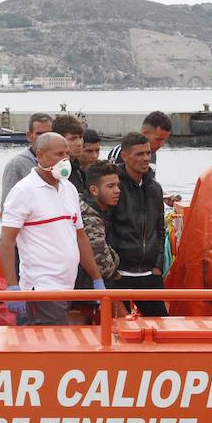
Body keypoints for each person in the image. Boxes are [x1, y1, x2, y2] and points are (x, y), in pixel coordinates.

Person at [0, 132, 105, 325]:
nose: (65, 159)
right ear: (40, 155)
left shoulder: (69, 189)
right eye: (58, 154)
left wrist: (97, 279)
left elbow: (80, 236)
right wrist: (12, 286)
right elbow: (7, 239)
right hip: (41, 288)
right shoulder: (24, 191)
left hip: (67, 285)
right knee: (52, 345)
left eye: (66, 154)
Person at [107, 132, 168, 316]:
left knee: (161, 327)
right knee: (117, 331)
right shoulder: (112, 186)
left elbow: (160, 228)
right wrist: (112, 269)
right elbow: (103, 228)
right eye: (139, 154)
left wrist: (158, 265)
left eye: (148, 153)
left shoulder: (154, 188)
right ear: (124, 156)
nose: (146, 158)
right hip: (119, 273)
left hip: (150, 273)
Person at [75, 160, 121, 290]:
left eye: (118, 185)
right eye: (111, 186)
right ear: (94, 190)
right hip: (86, 288)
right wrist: (116, 258)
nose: (117, 190)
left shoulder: (84, 206)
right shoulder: (90, 219)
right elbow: (103, 266)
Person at [0, 113, 54, 209]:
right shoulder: (16, 165)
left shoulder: (59, 161)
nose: (44, 138)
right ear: (29, 136)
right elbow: (7, 206)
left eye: (48, 134)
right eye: (39, 134)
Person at [107, 111, 172, 174]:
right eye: (158, 139)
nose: (162, 144)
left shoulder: (152, 153)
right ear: (144, 133)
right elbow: (110, 180)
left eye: (164, 140)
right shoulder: (120, 151)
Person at [52, 115, 86, 193]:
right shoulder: (56, 172)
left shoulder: (77, 169)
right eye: (72, 139)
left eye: (80, 137)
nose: (79, 143)